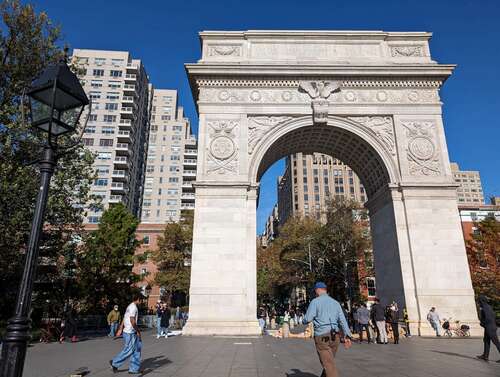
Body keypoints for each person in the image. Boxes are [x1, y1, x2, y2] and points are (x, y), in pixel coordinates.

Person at [303, 282, 352, 377]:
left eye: (315, 291)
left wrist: (304, 320)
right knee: (329, 362)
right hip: (335, 336)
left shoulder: (315, 302)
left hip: (322, 335)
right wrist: (347, 335)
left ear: (317, 290)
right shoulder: (335, 303)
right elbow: (342, 320)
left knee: (328, 364)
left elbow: (308, 318)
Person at [110, 294, 142, 374]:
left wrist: (120, 328)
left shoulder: (130, 306)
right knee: (129, 350)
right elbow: (132, 320)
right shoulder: (133, 307)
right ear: (138, 299)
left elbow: (125, 317)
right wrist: (138, 331)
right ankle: (114, 362)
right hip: (130, 332)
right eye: (141, 300)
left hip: (129, 331)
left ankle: (134, 369)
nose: (141, 302)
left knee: (137, 349)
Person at [476, 295, 500, 362]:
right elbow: (493, 316)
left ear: (481, 301)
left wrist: (482, 323)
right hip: (490, 326)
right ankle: (485, 356)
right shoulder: (488, 307)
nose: (478, 302)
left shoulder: (484, 308)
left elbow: (488, 318)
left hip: (489, 327)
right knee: (486, 340)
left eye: (479, 300)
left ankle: (485, 356)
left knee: (496, 342)